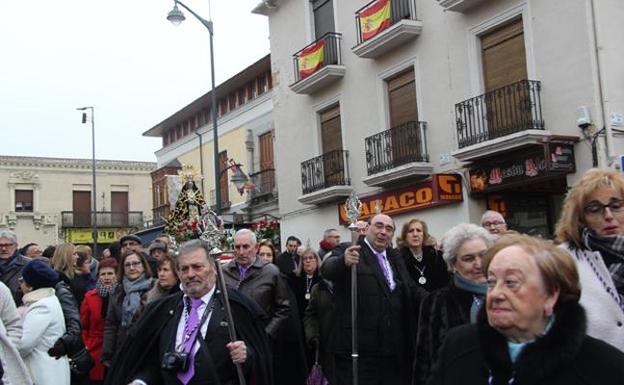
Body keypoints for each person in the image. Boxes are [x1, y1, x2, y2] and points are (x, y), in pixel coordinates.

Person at [428, 234, 624, 385]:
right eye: (491, 282)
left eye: (511, 283)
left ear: (551, 295)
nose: (495, 294)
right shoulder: (457, 346)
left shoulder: (606, 366)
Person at [103, 239, 273, 385]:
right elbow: (152, 361)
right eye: (184, 269)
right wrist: (141, 381)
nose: (190, 274)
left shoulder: (235, 306)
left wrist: (247, 355)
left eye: (197, 267)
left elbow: (261, 359)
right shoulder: (162, 310)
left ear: (213, 268)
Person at [321, 214, 423, 385]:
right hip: (360, 350)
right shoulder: (350, 248)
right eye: (379, 226)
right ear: (367, 229)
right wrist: (342, 261)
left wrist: (438, 301)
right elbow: (327, 269)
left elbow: (410, 289)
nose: (383, 232)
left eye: (389, 229)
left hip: (392, 349)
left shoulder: (394, 256)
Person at [413, 223, 495, 385]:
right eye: (468, 258)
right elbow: (426, 360)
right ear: (453, 264)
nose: (478, 264)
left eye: (483, 255)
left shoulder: (509, 294)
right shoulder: (436, 302)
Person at [555, 168, 624, 351]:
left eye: (616, 206)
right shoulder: (562, 261)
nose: (608, 216)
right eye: (595, 209)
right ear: (580, 218)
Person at [18, 260, 70, 385]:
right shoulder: (49, 299)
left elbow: (24, 344)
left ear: (31, 286)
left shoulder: (41, 307)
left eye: (22, 281)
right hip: (51, 370)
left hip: (43, 372)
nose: (20, 285)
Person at [101, 251, 153, 367]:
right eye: (127, 265)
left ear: (143, 265)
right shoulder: (117, 291)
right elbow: (111, 324)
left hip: (148, 349)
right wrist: (107, 354)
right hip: (123, 347)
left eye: (136, 263)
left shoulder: (155, 288)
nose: (132, 267)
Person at [80, 258, 118, 384]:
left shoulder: (123, 295)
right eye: (103, 274)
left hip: (116, 348)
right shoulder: (90, 297)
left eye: (110, 273)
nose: (106, 277)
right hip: (94, 351)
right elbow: (83, 326)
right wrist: (87, 344)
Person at [397, 218, 449, 293]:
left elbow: (445, 284)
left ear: (424, 235)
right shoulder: (399, 260)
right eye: (411, 231)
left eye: (419, 230)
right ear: (405, 236)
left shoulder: (436, 256)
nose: (415, 234)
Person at [0, 229, 31, 305]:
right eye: (0, 245)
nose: (3, 249)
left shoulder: (29, 264)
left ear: (16, 245)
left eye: (7, 245)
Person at [290, 248, 322, 321]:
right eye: (305, 259)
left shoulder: (322, 278)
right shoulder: (296, 279)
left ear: (316, 260)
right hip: (300, 316)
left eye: (311, 258)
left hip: (318, 318)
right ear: (302, 262)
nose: (308, 261)